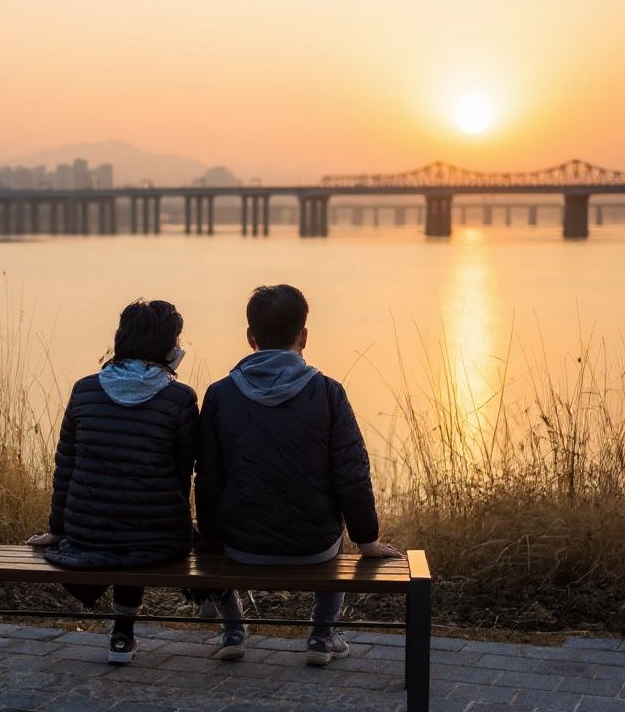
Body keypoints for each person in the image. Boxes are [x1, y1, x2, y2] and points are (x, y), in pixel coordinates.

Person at [194, 284, 400, 665]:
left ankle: (233, 631)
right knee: (334, 537)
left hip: (240, 548)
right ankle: (322, 637)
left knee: (225, 520)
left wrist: (210, 540)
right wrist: (367, 539)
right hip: (315, 549)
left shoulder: (220, 395)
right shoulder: (328, 392)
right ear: (303, 336)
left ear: (250, 337)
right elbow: (351, 474)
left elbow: (207, 479)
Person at [25, 299, 197, 664]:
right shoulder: (180, 399)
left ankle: (122, 633)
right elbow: (183, 478)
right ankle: (131, 628)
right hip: (157, 538)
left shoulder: (84, 390)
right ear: (169, 347)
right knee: (141, 531)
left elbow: (65, 467)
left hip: (89, 534)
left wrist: (58, 529)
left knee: (125, 528)